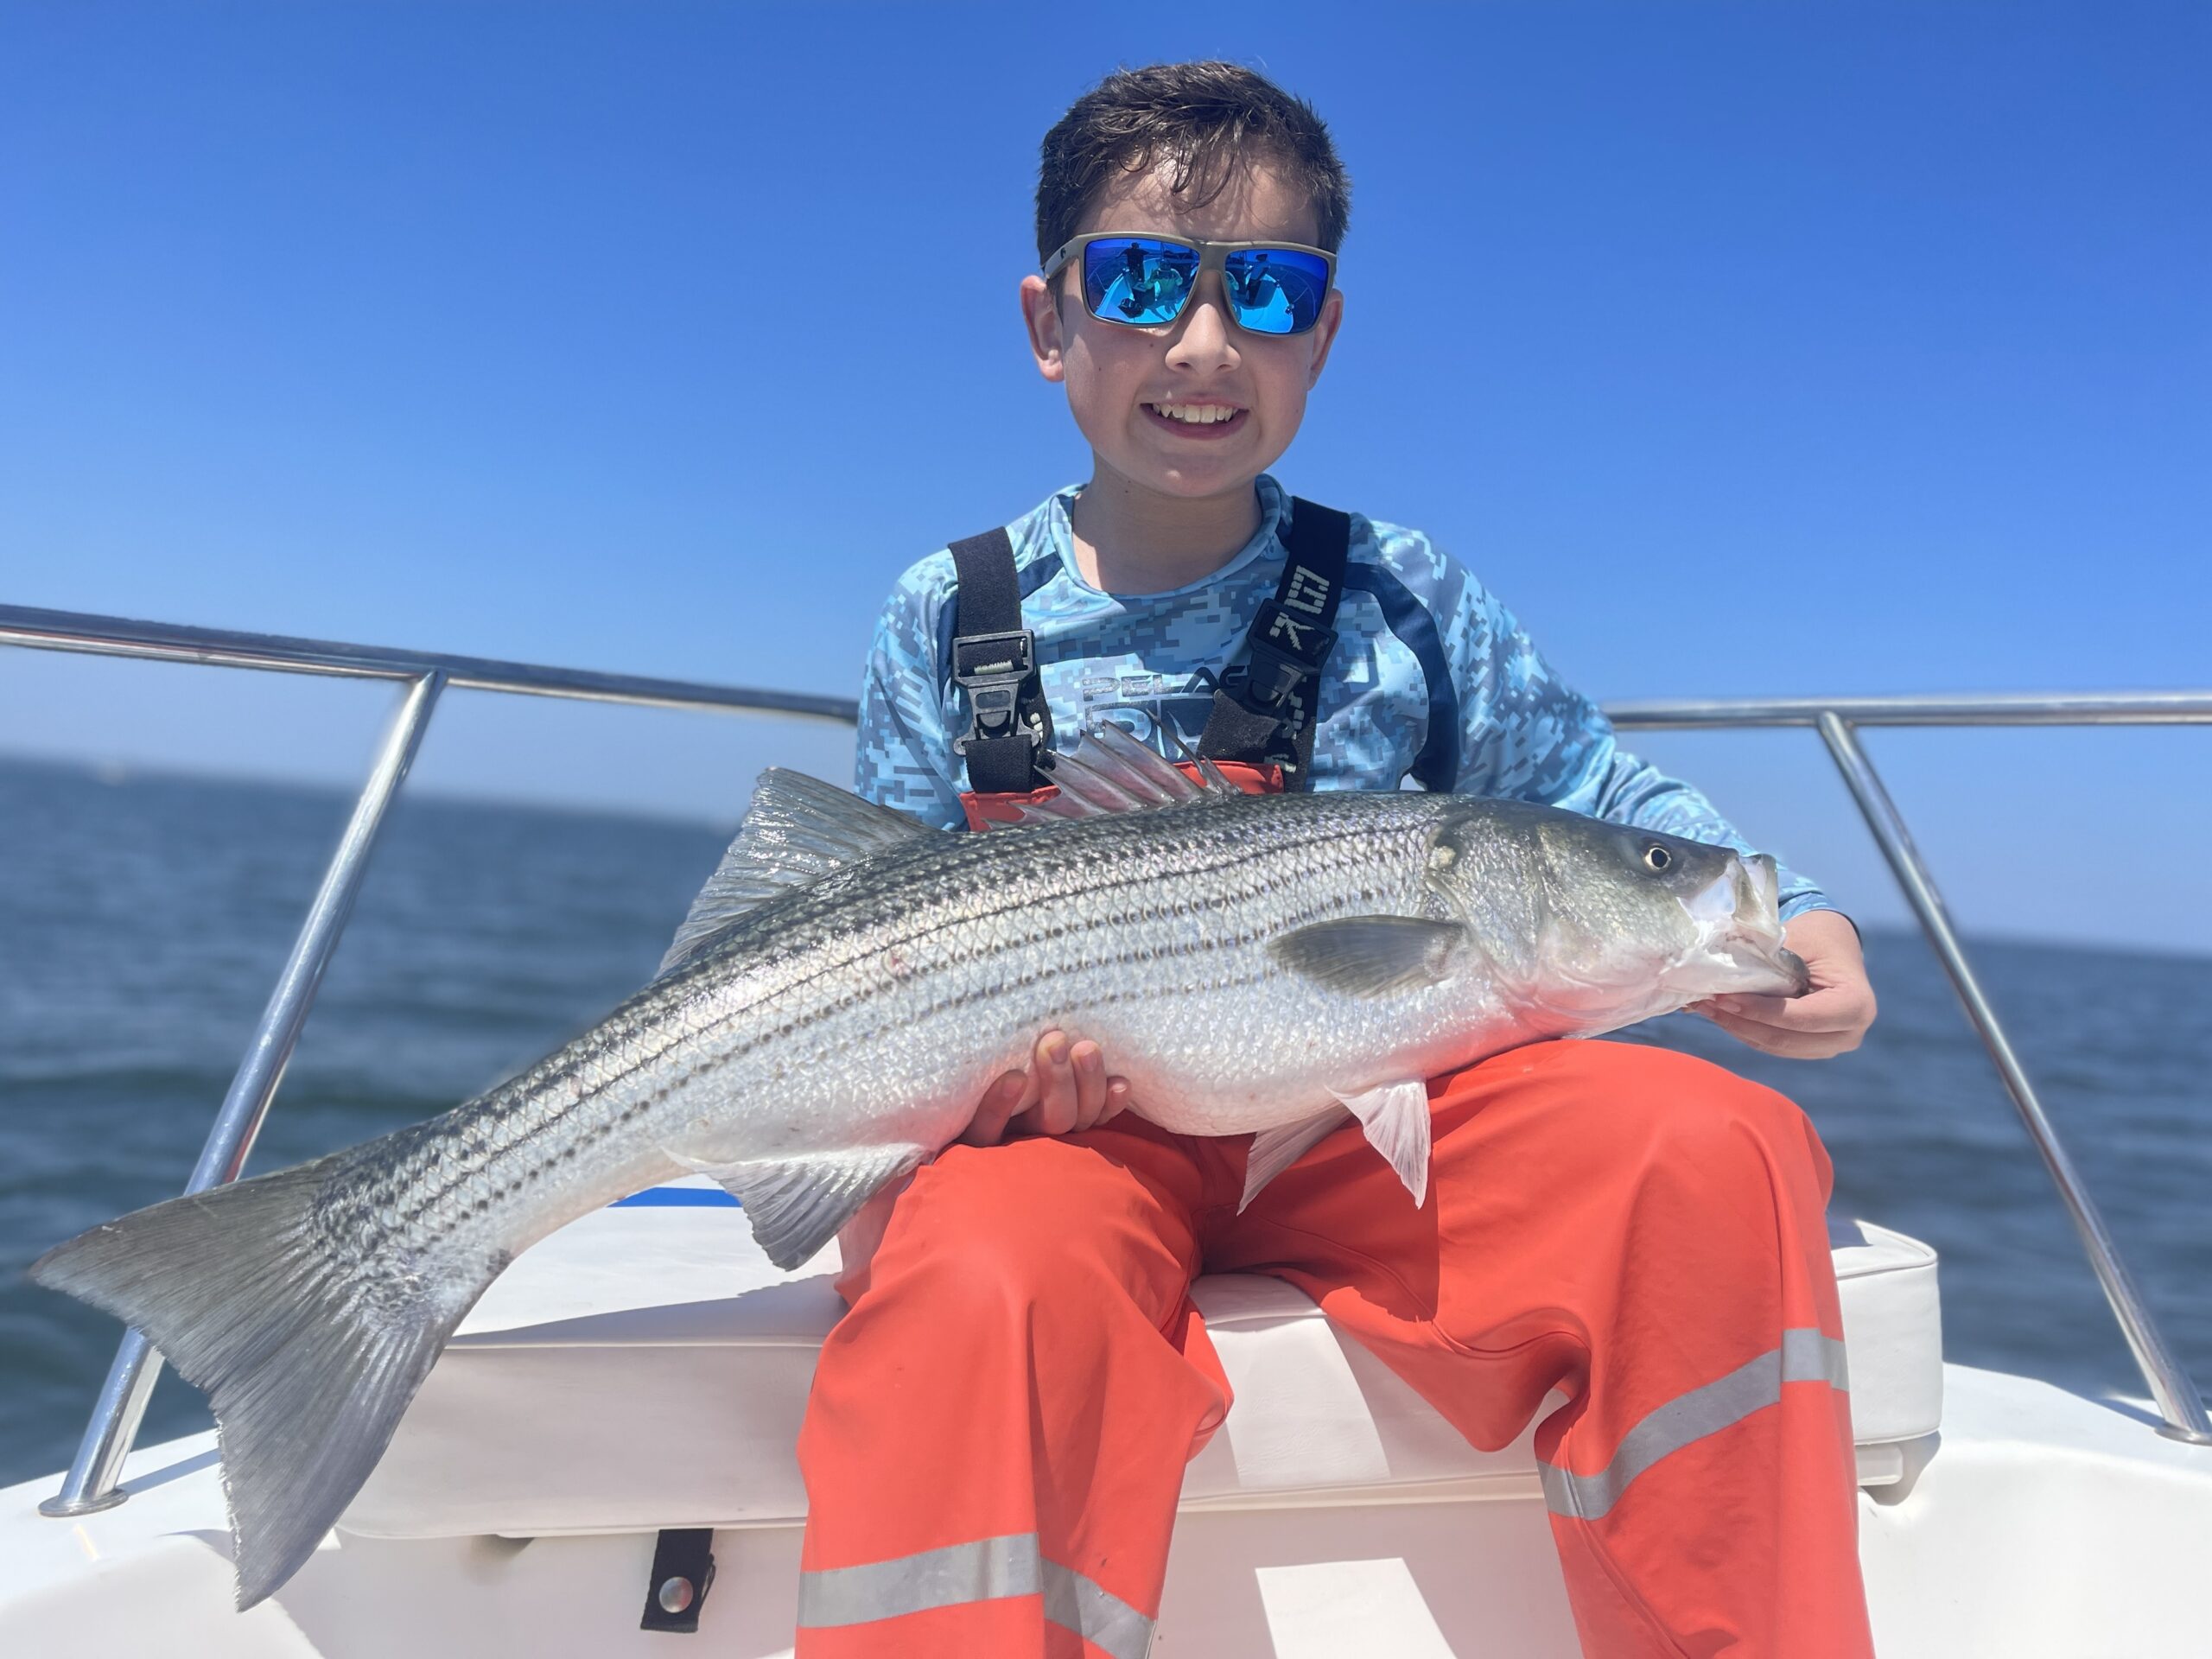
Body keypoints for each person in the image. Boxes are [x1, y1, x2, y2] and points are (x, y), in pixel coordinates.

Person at [800, 60, 1878, 1659]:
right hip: (1080, 1143)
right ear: (1049, 322)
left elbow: (1586, 787)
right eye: (1144, 281)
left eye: (1270, 292)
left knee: (1720, 1151)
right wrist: (980, 1091)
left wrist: (1787, 908)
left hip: (1378, 1126)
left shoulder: (1402, 590)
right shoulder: (949, 610)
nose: (1204, 343)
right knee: (980, 1276)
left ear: (1326, 333)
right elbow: (876, 920)